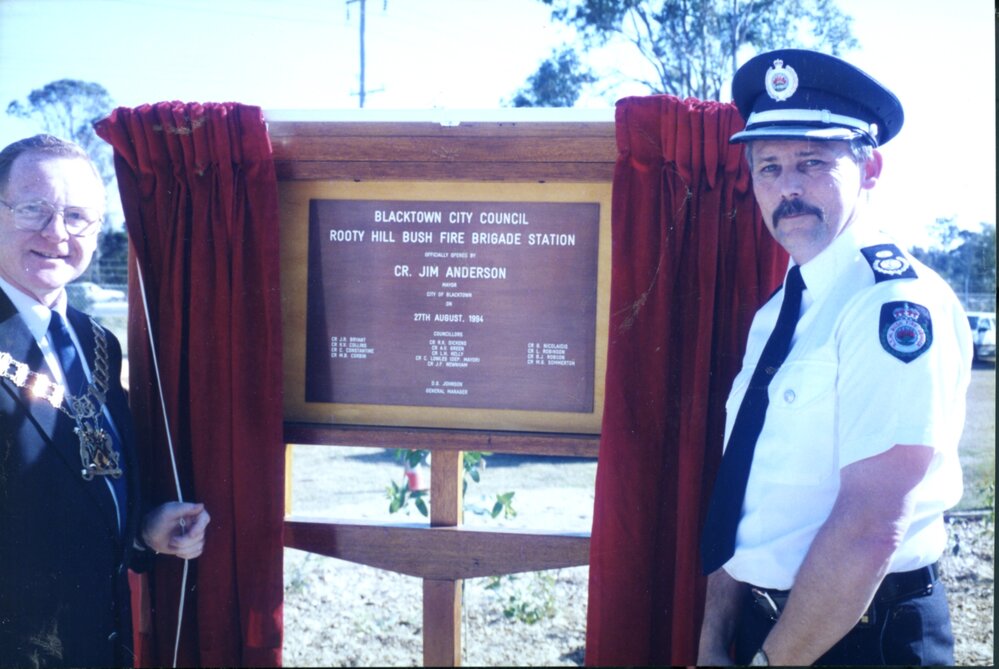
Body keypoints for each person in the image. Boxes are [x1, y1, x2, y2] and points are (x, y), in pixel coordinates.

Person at [697, 50, 972, 666]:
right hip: (774, 633)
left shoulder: (892, 304)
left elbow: (872, 523)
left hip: (863, 640)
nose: (787, 187)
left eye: (812, 163)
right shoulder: (780, 311)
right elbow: (753, 489)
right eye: (768, 167)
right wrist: (714, 639)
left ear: (869, 167)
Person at [0, 134, 211, 668]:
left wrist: (142, 528)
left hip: (100, 637)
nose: (56, 233)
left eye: (78, 217)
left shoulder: (96, 340)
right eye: (33, 209)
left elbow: (85, 472)